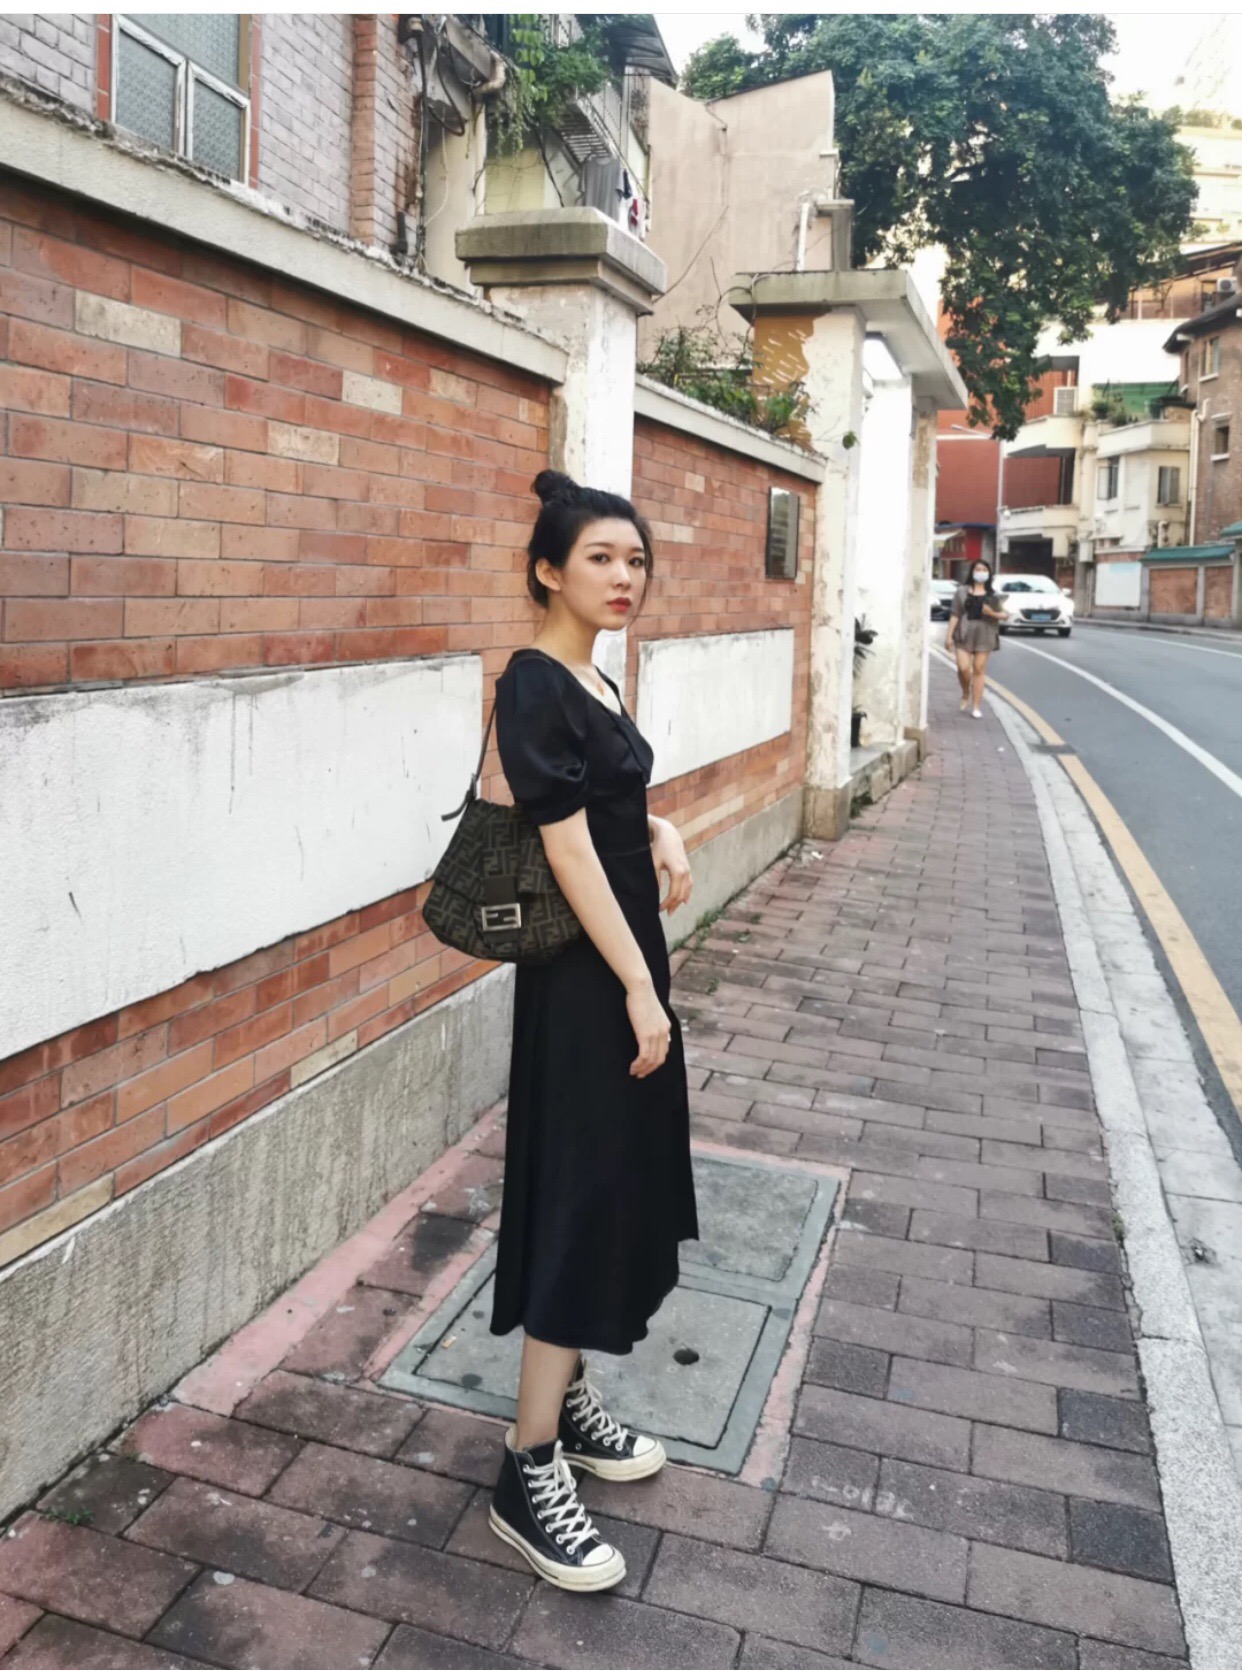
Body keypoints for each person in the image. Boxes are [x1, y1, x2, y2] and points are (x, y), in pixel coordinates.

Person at [486, 470, 699, 1593]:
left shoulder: (591, 676)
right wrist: (638, 989)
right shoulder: (535, 680)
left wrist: (659, 826)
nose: (626, 577)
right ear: (547, 571)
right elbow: (563, 845)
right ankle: (526, 1471)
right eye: (602, 559)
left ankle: (563, 1404)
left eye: (636, 559)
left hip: (617, 965)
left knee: (610, 1180)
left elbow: (600, 807)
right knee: (578, 1190)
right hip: (586, 980)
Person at [947, 559, 1007, 717]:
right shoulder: (961, 592)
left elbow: (1005, 615)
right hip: (964, 633)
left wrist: (991, 613)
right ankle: (966, 692)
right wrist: (949, 637)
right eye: (978, 569)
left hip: (984, 634)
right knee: (963, 667)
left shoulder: (993, 596)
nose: (981, 572)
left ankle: (976, 706)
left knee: (979, 669)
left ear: (989, 573)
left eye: (984, 570)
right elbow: (955, 614)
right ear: (972, 572)